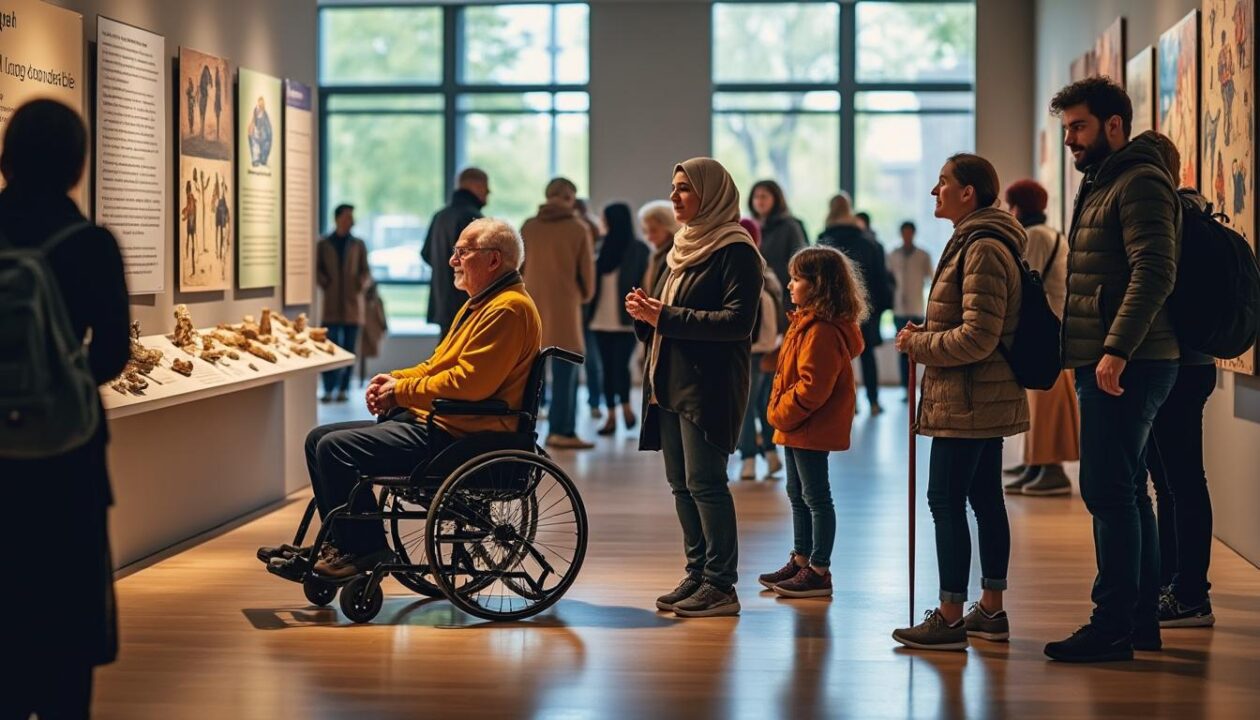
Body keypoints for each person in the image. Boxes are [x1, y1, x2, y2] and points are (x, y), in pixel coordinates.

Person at [267, 219, 541, 581]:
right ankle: (341, 542)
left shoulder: (506, 309)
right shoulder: (483, 304)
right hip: (449, 426)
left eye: (462, 252)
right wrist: (395, 379)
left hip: (463, 436)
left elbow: (469, 384)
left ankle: (364, 550)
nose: (451, 260)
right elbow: (437, 366)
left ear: (493, 260)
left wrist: (401, 392)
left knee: (336, 449)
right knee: (319, 438)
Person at [0, 99, 131, 718]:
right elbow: (110, 356)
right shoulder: (90, 243)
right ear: (77, 164)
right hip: (67, 455)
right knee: (64, 626)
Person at [1043, 78, 1181, 663]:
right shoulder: (1106, 181)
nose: (1071, 139)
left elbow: (1155, 270)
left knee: (1108, 492)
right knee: (1125, 491)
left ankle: (1112, 625)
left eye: (1079, 127)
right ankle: (1137, 622)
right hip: (1112, 358)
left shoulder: (1140, 181)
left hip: (1128, 362)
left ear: (1114, 125)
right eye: (1068, 127)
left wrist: (1117, 348)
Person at [892, 153, 1028, 652]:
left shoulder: (983, 247)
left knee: (945, 500)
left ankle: (950, 618)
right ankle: (989, 611)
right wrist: (927, 331)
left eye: (943, 182)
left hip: (969, 400)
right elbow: (970, 322)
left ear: (968, 192)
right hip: (976, 397)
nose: (934, 191)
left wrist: (918, 345)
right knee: (985, 500)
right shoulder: (976, 240)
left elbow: (978, 337)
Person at [627, 157, 763, 618]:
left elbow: (738, 322)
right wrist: (646, 315)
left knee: (705, 483)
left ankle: (722, 585)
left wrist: (663, 316)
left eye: (684, 188)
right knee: (681, 485)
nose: (674, 196)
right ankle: (699, 571)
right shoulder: (681, 248)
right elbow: (668, 317)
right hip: (668, 380)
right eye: (673, 186)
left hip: (709, 385)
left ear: (711, 194)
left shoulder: (735, 249)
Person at [757, 246, 867, 598]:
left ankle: (819, 569)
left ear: (819, 285)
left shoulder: (822, 330)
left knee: (816, 497)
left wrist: (780, 412)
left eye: (796, 279)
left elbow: (812, 387)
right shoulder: (804, 321)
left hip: (808, 424)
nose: (790, 285)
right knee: (797, 494)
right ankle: (801, 558)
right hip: (796, 425)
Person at [1144, 132, 1218, 629]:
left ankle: (1190, 593)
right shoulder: (1195, 213)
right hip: (1195, 363)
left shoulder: (1173, 217)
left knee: (1180, 481)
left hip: (1178, 364)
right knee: (1173, 481)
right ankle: (1177, 585)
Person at [1002, 179, 1078, 497]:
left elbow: (1023, 284)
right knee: (1040, 404)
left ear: (1019, 207)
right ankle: (1036, 463)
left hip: (1047, 331)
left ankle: (1051, 469)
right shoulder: (1052, 234)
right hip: (1058, 327)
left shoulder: (1033, 236)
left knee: (1047, 406)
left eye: (1010, 205)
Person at [522, 177, 597, 449]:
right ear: (570, 198)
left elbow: (519, 266)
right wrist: (582, 296)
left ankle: (524, 429)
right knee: (567, 368)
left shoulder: (529, 226)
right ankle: (562, 430)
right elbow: (587, 277)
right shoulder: (578, 228)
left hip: (531, 305)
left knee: (531, 371)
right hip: (565, 306)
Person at [818, 192, 894, 414]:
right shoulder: (868, 242)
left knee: (838, 357)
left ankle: (844, 403)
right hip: (864, 307)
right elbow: (880, 278)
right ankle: (873, 401)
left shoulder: (824, 240)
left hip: (832, 308)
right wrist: (881, 307)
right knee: (867, 354)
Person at [588, 202, 649, 436]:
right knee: (606, 368)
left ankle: (625, 407)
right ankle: (611, 414)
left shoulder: (638, 250)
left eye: (606, 219)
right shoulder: (601, 248)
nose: (603, 224)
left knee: (621, 367)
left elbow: (645, 282)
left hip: (627, 320)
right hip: (599, 320)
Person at [735, 217, 785, 480]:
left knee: (744, 406)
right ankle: (771, 453)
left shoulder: (744, 267)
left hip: (750, 349)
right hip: (769, 347)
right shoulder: (768, 270)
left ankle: (749, 458)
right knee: (762, 404)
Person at [423, 168, 490, 338]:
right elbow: (481, 263)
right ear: (473, 185)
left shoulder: (440, 216)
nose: (489, 192)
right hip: (466, 302)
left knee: (446, 353)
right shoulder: (473, 218)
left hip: (443, 301)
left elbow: (426, 254)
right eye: (485, 186)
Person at [316, 204, 372, 402]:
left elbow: (366, 271)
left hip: (352, 307)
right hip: (330, 306)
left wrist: (359, 284)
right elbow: (318, 269)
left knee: (349, 349)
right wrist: (325, 283)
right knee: (329, 348)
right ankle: (329, 387)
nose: (352, 221)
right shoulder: (324, 244)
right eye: (348, 217)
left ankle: (344, 388)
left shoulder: (358, 244)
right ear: (338, 219)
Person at [887, 221, 933, 399]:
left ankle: (917, 386)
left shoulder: (923, 255)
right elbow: (888, 279)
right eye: (904, 232)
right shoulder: (892, 254)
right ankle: (905, 389)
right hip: (899, 309)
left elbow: (931, 278)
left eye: (909, 232)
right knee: (901, 349)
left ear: (913, 233)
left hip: (916, 308)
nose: (907, 235)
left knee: (916, 350)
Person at [748, 179, 807, 312]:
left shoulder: (790, 226)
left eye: (764, 196)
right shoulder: (749, 227)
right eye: (756, 197)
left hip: (784, 295)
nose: (759, 201)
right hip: (756, 295)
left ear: (776, 199)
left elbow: (799, 262)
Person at [575, 198, 606, 421]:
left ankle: (595, 401)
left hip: (585, 307)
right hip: (582, 305)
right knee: (589, 358)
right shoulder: (587, 229)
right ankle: (594, 402)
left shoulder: (588, 230)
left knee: (590, 359)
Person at [640, 199, 678, 292]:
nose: (649, 237)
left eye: (654, 230)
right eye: (645, 231)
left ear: (669, 227)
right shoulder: (656, 254)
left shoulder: (675, 254)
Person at [247, 96, 273, 166]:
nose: (260, 107)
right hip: (256, 135)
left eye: (261, 105)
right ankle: (256, 160)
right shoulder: (255, 112)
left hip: (264, 137)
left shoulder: (265, 116)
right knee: (254, 142)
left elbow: (268, 132)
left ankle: (263, 158)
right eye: (259, 105)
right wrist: (252, 128)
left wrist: (262, 133)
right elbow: (253, 123)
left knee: (264, 145)